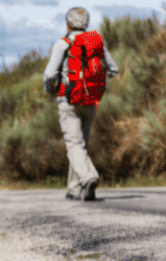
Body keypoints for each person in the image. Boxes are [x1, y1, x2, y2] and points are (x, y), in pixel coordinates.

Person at [43, 6, 119, 201]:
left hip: (68, 99)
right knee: (81, 145)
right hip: (91, 99)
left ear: (68, 23)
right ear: (86, 23)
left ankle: (88, 177)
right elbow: (113, 69)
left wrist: (50, 88)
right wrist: (96, 81)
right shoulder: (96, 43)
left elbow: (50, 74)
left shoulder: (63, 44)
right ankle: (74, 189)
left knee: (74, 144)